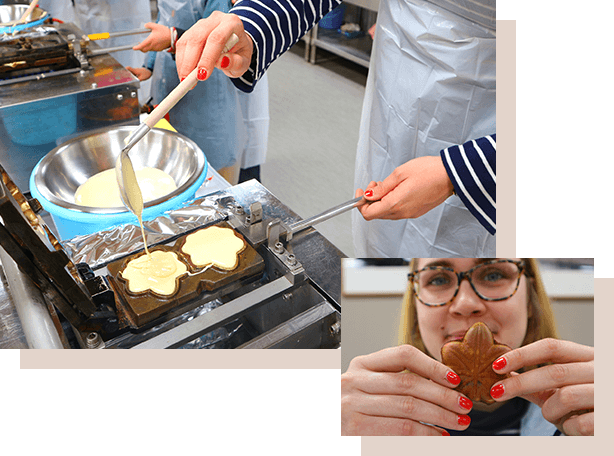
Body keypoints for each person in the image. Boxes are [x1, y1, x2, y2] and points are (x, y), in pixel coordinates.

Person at [172, 0, 496, 257]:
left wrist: (464, 172)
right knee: (385, 248)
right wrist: (253, 22)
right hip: (400, 64)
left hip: (491, 114)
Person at [341, 258, 594, 436]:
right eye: (439, 279)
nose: (465, 303)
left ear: (530, 300)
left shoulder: (580, 419)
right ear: (416, 316)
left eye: (493, 274)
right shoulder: (375, 425)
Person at [127, 0, 269, 185]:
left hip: (207, 95)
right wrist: (149, 65)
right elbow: (163, 17)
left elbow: (222, 40)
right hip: (169, 78)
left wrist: (173, 38)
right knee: (173, 165)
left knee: (208, 173)